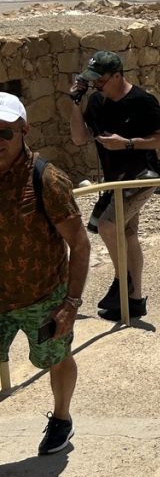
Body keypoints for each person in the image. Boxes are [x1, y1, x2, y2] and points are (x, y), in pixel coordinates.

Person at [1, 93, 91, 455]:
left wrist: (70, 303)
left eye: (4, 133)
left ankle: (62, 418)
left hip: (42, 297)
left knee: (55, 358)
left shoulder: (46, 179)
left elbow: (80, 244)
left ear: (24, 130)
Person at [68, 51, 160, 321]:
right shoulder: (97, 103)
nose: (95, 84)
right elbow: (79, 138)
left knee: (107, 225)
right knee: (127, 235)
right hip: (115, 180)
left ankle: (121, 281)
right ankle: (134, 300)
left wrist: (127, 142)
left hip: (141, 177)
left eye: (99, 79)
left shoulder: (142, 100)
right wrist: (75, 104)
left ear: (116, 75)